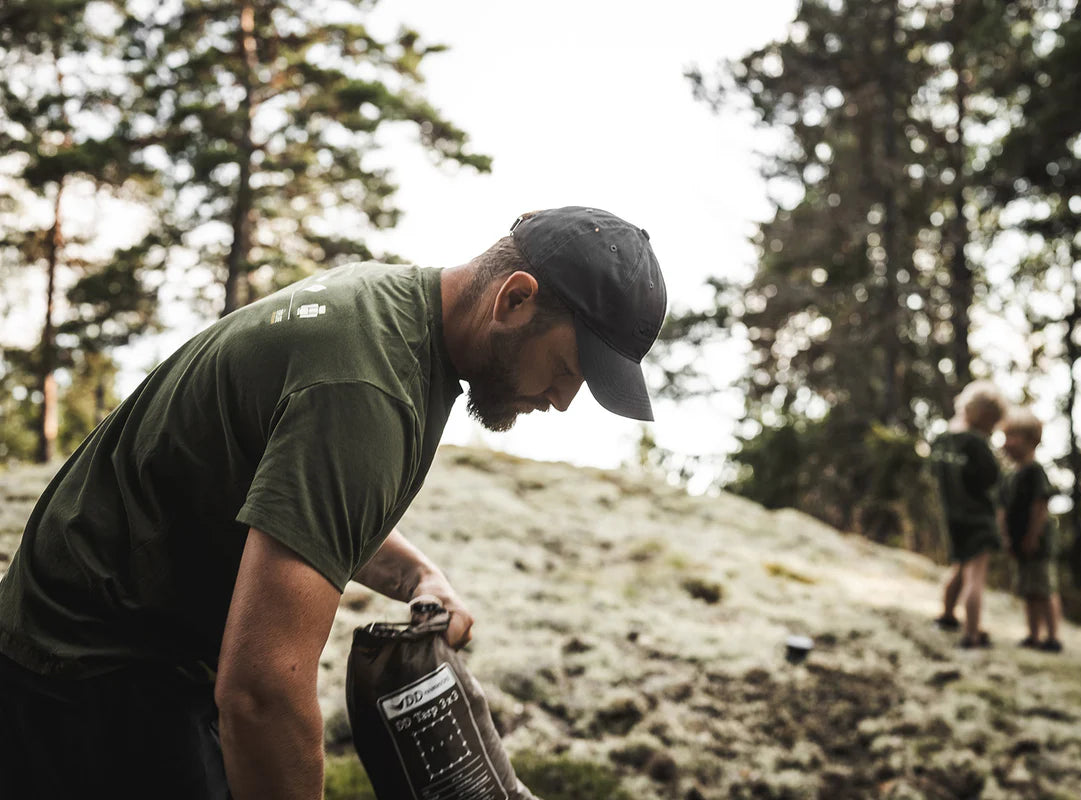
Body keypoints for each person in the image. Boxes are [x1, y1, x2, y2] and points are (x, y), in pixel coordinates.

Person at [0, 206, 667, 800]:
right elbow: (263, 692)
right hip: (89, 676)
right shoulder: (366, 388)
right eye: (569, 370)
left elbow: (296, 497)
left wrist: (416, 575)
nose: (561, 401)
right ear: (516, 299)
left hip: (92, 655)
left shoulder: (390, 314)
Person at [930, 380, 1007, 649]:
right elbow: (993, 477)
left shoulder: (941, 441)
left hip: (953, 518)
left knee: (958, 567)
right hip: (978, 519)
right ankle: (972, 634)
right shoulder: (976, 444)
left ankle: (947, 615)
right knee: (975, 576)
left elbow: (934, 473)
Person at [998, 407, 1063, 653]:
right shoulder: (1009, 476)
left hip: (1038, 543)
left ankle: (1053, 637)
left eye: (1012, 436)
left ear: (1031, 440)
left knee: (1044, 589)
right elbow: (1002, 510)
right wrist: (1006, 538)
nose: (1007, 442)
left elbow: (1040, 506)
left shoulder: (1035, 472)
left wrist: (1033, 537)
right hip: (1018, 543)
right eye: (1005, 436)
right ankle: (1033, 635)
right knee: (1027, 590)